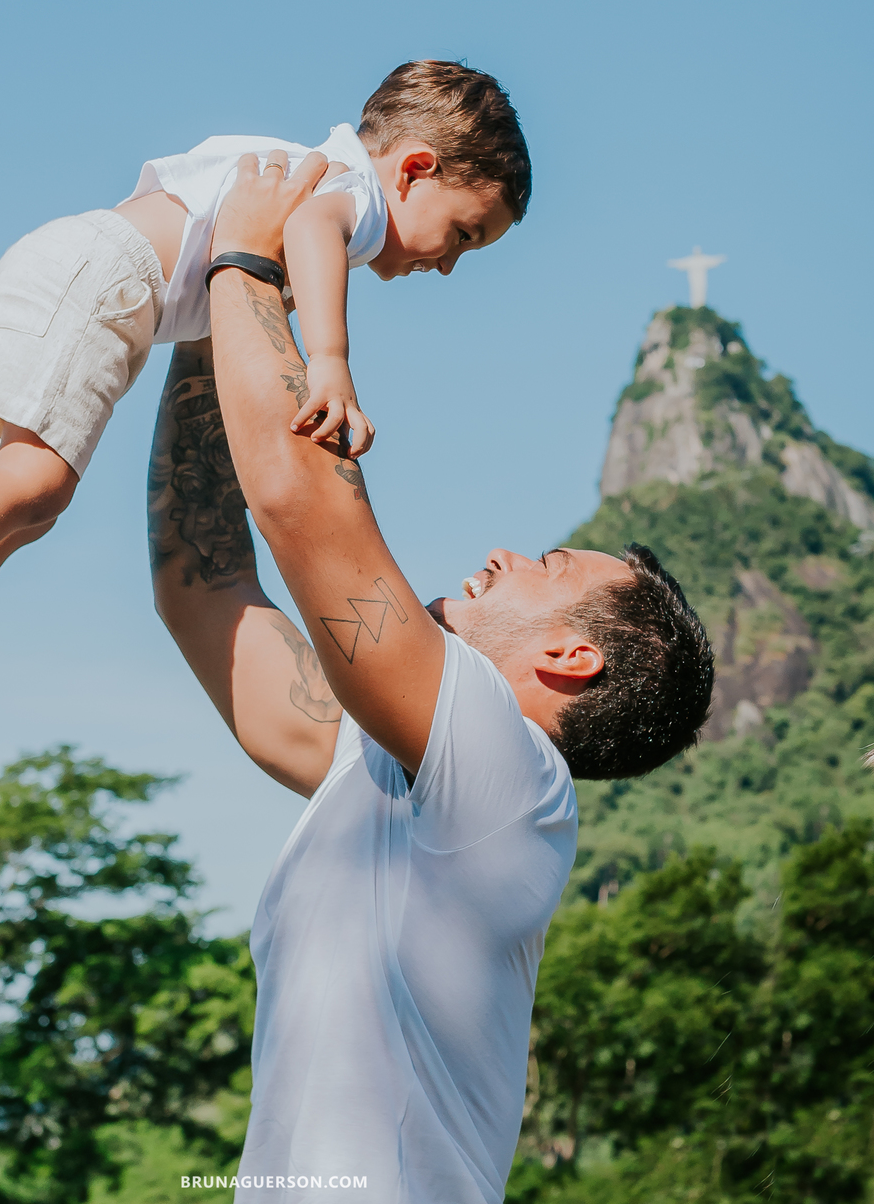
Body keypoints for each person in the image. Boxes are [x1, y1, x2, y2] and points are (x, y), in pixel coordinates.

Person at [148, 151, 714, 1203]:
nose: (505, 552)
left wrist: (244, 257)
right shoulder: (384, 774)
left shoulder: (512, 779)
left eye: (547, 566)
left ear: (571, 657)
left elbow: (299, 501)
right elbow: (205, 585)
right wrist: (203, 327)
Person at [0, 60, 532, 816]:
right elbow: (317, 228)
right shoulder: (345, 192)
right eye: (461, 234)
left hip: (98, 284)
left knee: (29, 506)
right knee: (36, 484)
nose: (446, 264)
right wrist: (332, 362)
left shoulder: (310, 174)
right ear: (415, 169)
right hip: (104, 280)